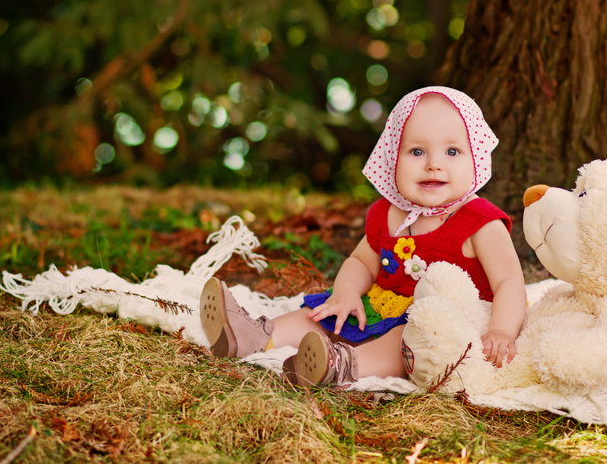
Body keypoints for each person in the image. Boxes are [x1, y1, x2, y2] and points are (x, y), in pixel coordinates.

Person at [200, 86, 526, 388]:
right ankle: (255, 335)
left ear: (477, 158)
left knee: (407, 338)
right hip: (381, 307)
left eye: (452, 151)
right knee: (324, 315)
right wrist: (345, 293)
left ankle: (343, 366)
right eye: (416, 151)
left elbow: (509, 281)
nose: (433, 165)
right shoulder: (388, 214)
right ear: (392, 157)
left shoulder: (479, 222)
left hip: (435, 324)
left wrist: (501, 330)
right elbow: (361, 262)